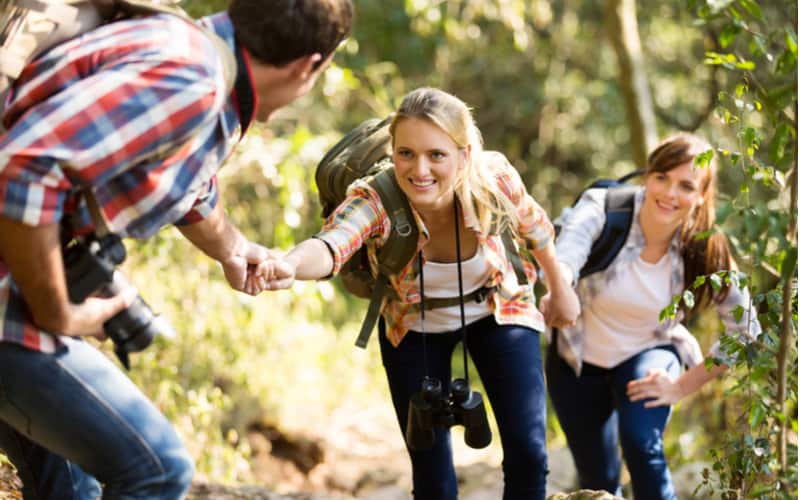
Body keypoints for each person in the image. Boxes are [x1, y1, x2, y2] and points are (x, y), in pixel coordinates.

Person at [0, 0, 353, 497]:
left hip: (16, 278)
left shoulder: (192, 52)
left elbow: (180, 179)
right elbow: (26, 168)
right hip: (10, 301)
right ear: (308, 66)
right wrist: (57, 311)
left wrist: (232, 246)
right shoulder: (191, 78)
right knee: (159, 469)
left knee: (71, 488)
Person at [250, 87, 580, 500]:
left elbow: (535, 228)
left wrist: (560, 288)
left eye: (436, 155)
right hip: (412, 324)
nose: (419, 170)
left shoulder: (494, 180)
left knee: (529, 455)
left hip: (499, 305)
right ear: (393, 151)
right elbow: (332, 242)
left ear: (464, 153)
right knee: (432, 476)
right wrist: (289, 265)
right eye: (406, 153)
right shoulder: (377, 197)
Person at [542, 133, 762, 499]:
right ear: (648, 175)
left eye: (686, 185)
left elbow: (747, 330)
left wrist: (682, 386)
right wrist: (560, 289)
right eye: (662, 177)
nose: (670, 193)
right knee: (597, 478)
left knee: (642, 444)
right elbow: (569, 250)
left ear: (702, 195)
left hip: (648, 353)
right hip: (575, 359)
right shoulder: (605, 207)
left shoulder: (707, 246)